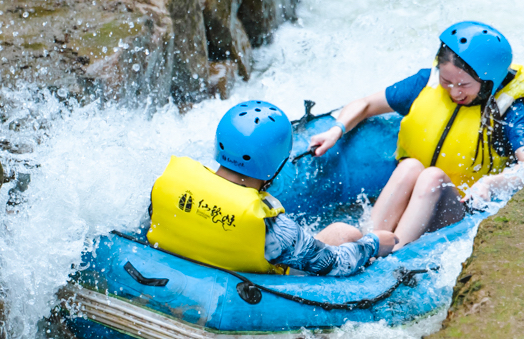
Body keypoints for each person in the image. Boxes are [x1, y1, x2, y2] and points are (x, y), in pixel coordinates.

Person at [308, 21, 524, 246]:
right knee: (410, 166)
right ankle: (369, 242)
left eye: (464, 85)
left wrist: (490, 183)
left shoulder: (507, 111)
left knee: (432, 176)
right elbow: (366, 104)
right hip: (413, 198)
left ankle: (395, 252)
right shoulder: (425, 83)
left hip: (461, 208)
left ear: (489, 82)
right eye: (447, 80)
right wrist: (336, 130)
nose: (454, 92)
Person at [147, 100, 397, 276]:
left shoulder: (167, 185)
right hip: (247, 295)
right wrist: (373, 242)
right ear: (276, 164)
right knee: (344, 232)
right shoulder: (273, 228)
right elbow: (336, 264)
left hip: (173, 275)